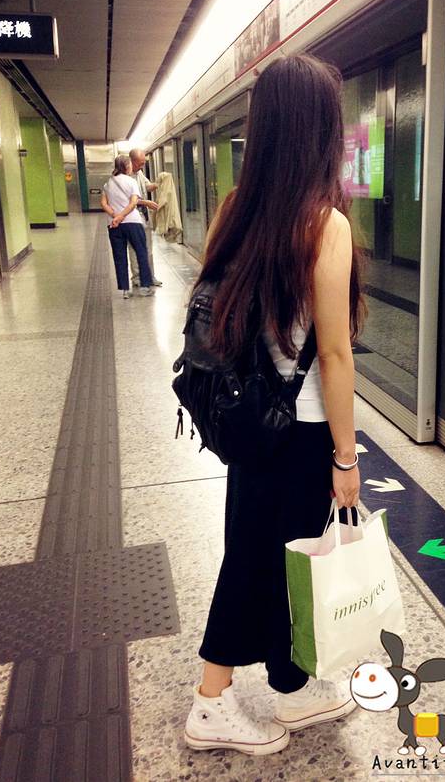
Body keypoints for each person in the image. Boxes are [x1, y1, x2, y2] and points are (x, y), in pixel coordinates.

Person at [184, 54, 365, 755]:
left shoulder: (235, 210)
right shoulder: (325, 225)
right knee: (262, 560)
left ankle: (291, 682)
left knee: (274, 555)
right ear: (320, 130)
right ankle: (210, 702)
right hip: (303, 430)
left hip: (250, 421)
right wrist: (346, 458)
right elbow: (336, 355)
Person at [101, 155, 154, 298]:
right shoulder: (131, 181)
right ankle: (145, 287)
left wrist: (115, 216)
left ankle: (125, 289)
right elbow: (133, 203)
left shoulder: (108, 184)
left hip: (114, 225)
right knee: (141, 252)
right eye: (130, 165)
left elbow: (104, 203)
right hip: (132, 222)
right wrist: (121, 216)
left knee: (119, 256)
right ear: (126, 166)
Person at [128, 148, 163, 287]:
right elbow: (126, 199)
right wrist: (146, 202)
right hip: (131, 217)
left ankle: (150, 276)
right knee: (134, 248)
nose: (142, 166)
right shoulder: (123, 176)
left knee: (148, 248)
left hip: (144, 216)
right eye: (140, 163)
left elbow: (147, 186)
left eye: (144, 163)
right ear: (132, 161)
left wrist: (158, 183)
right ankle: (137, 278)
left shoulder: (139, 173)